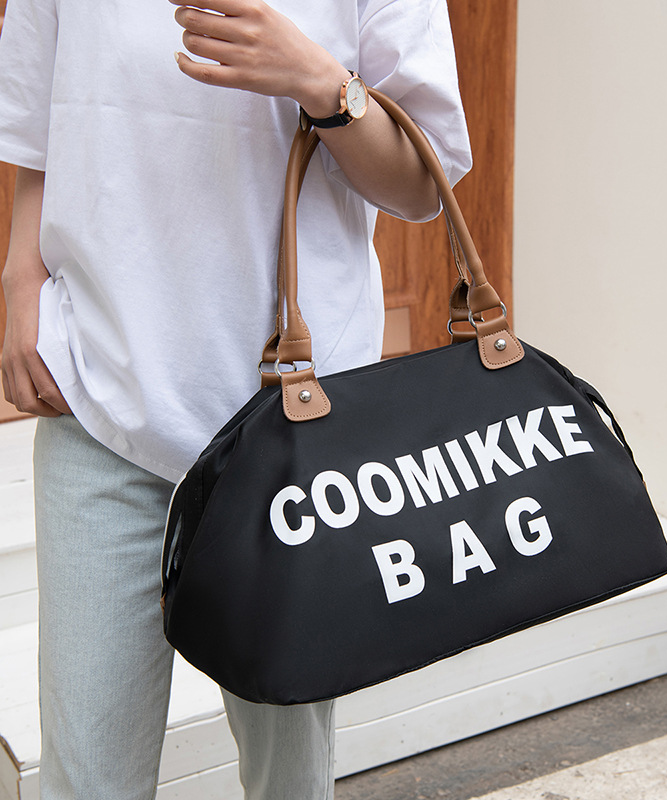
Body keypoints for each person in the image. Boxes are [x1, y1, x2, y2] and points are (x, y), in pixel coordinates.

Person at [0, 0, 471, 797]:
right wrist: (21, 282)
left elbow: (425, 183)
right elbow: (41, 124)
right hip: (99, 395)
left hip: (293, 430)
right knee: (86, 779)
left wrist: (320, 82)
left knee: (290, 774)